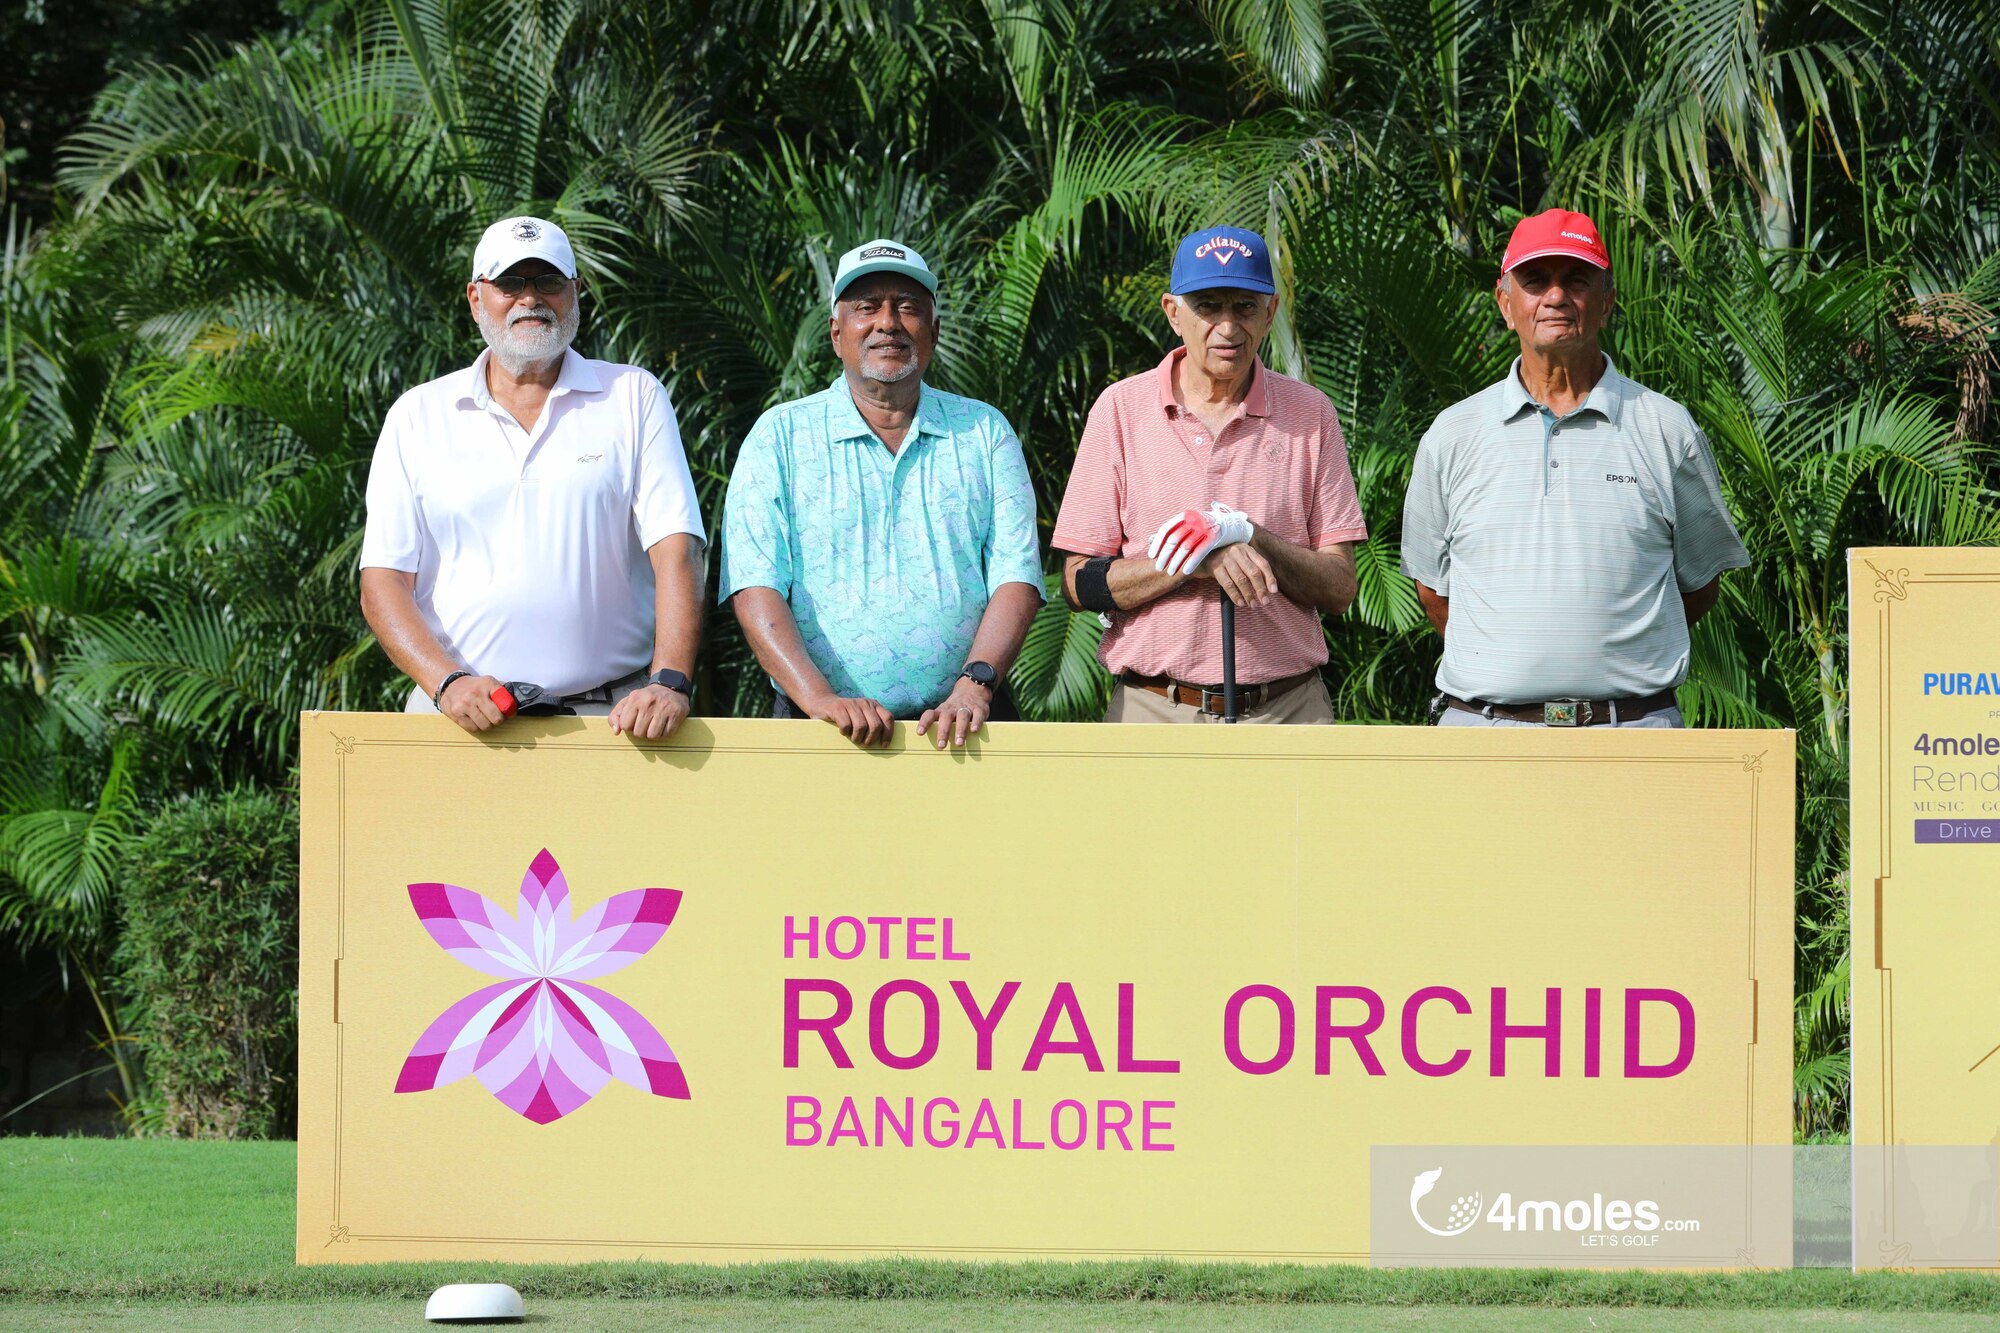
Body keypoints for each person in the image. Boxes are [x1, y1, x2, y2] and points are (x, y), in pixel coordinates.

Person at [1398, 208, 1749, 728]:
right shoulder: (1453, 434)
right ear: (1505, 302)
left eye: (1576, 280)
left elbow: (1698, 586)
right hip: (1484, 734)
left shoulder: (1667, 429)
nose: (1556, 297)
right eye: (1536, 281)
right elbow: (1433, 590)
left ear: (1606, 302)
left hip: (1632, 732)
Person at [359, 215, 706, 738]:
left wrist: (671, 681)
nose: (530, 298)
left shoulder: (633, 397)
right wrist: (447, 683)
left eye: (548, 281)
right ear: (476, 298)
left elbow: (677, 548)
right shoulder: (418, 415)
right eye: (509, 283)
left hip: (618, 721)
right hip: (456, 715)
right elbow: (383, 580)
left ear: (575, 293)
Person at [719, 238, 1042, 749]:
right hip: (818, 726)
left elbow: (1016, 573)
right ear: (836, 332)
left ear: (933, 331)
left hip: (966, 724)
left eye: (908, 307)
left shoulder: (983, 431)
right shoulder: (779, 436)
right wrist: (819, 698)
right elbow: (754, 584)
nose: (888, 322)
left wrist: (974, 684)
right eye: (867, 307)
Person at [1051, 226, 1367, 723]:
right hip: (1152, 708)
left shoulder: (1311, 413)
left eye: (1244, 306)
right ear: (1173, 312)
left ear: (1271, 311)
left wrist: (1249, 536)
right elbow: (1076, 585)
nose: (1227, 327)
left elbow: (1340, 587)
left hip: (1287, 710)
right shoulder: (1120, 410)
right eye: (1207, 306)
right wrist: (1193, 559)